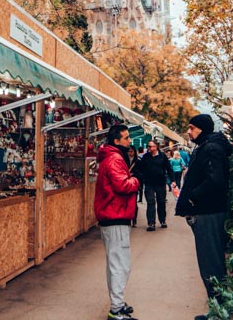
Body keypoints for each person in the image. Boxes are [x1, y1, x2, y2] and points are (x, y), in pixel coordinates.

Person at [175, 114, 233, 320]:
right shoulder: (208, 147)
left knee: (211, 264)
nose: (189, 132)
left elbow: (215, 180)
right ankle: (216, 309)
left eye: (192, 128)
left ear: (203, 128)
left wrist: (192, 197)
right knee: (210, 263)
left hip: (208, 213)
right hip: (207, 212)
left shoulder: (211, 149)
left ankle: (218, 313)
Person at [94, 124, 140, 320]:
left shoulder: (111, 158)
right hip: (116, 215)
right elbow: (122, 185)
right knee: (120, 264)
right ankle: (116, 308)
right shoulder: (114, 159)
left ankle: (118, 303)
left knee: (116, 263)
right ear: (116, 141)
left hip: (113, 214)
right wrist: (136, 180)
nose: (129, 141)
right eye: (127, 138)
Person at [136, 140, 173, 231]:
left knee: (161, 202)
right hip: (149, 183)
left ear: (156, 147)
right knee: (150, 202)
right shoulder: (146, 157)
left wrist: (173, 180)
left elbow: (169, 168)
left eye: (150, 146)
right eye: (148, 146)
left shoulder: (162, 156)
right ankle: (151, 223)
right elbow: (141, 168)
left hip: (160, 183)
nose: (148, 148)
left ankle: (162, 220)